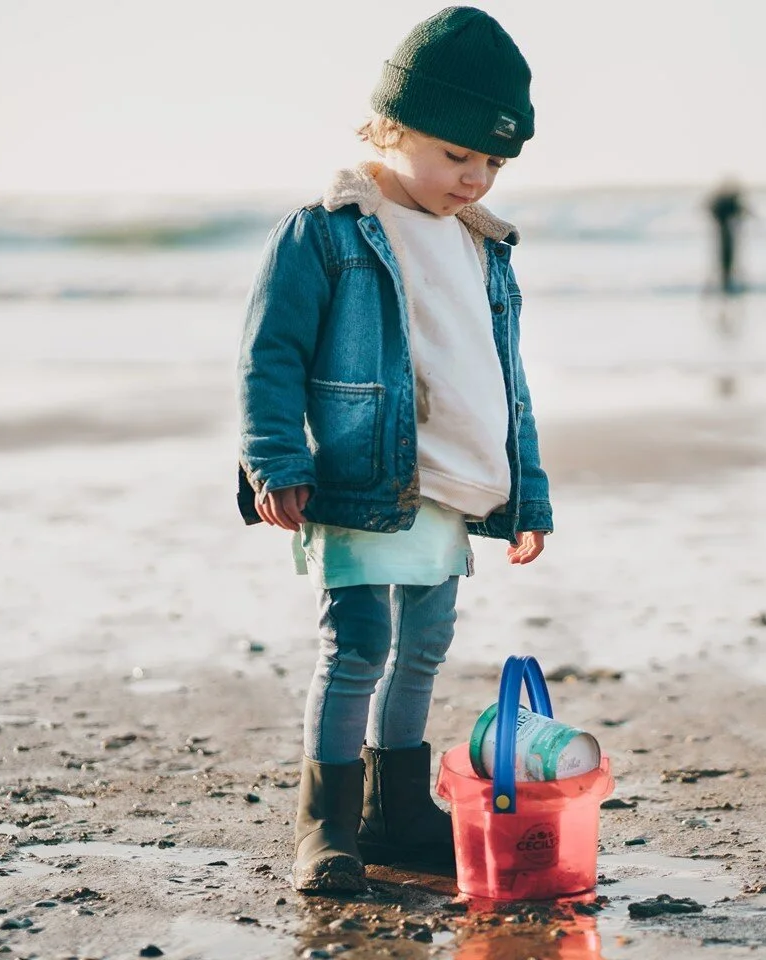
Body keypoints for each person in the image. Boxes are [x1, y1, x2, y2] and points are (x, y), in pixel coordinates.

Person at [234, 6, 552, 894]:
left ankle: (395, 811)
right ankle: (325, 827)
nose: (476, 178)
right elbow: (272, 354)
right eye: (457, 156)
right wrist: (275, 460)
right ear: (392, 127)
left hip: (452, 485)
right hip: (359, 480)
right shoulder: (330, 230)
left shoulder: (484, 248)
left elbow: (505, 380)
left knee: (425, 644)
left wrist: (528, 495)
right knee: (360, 644)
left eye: (492, 162)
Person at [707, 177, 748, 295]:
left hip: (727, 232)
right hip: (725, 233)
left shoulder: (722, 200)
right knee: (725, 258)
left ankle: (726, 283)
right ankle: (725, 284)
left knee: (727, 258)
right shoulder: (724, 200)